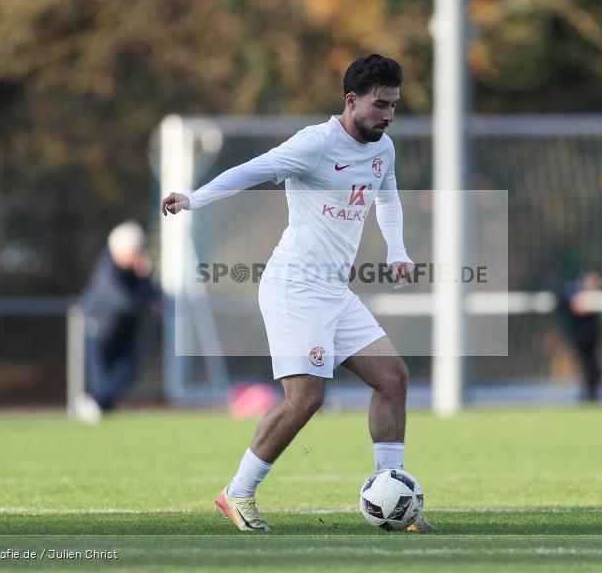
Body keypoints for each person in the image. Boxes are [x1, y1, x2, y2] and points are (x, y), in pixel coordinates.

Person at [161, 54, 433, 532]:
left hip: (334, 289)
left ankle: (394, 502)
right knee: (305, 397)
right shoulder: (315, 144)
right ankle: (237, 494)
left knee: (392, 378)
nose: (388, 116)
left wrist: (397, 249)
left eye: (394, 106)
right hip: (294, 288)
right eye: (380, 105)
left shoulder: (382, 148)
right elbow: (253, 170)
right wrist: (193, 198)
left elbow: (387, 196)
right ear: (352, 101)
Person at [80, 221, 158, 418]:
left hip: (121, 334)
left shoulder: (135, 272)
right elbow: (124, 299)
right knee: (101, 381)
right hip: (98, 331)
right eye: (136, 250)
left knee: (127, 372)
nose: (139, 255)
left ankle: (95, 407)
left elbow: (149, 294)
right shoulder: (108, 270)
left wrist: (146, 277)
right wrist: (143, 289)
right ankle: (92, 406)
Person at [559, 270, 602, 402]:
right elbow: (576, 307)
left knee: (593, 370)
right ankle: (588, 398)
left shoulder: (593, 295)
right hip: (580, 337)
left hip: (591, 338)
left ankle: (592, 398)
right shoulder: (574, 289)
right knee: (588, 369)